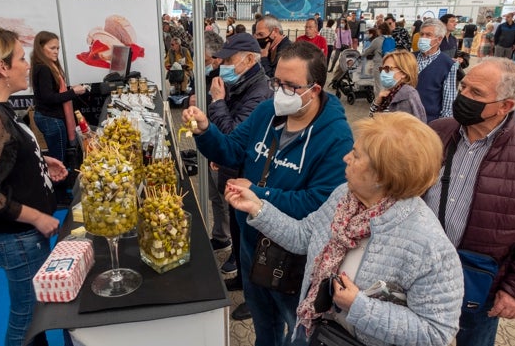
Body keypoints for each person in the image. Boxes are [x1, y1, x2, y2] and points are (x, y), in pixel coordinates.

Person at [225, 112, 463, 346]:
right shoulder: (344, 197)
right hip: (311, 329)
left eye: (356, 156)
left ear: (382, 175)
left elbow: (436, 332)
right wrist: (258, 208)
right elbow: (303, 236)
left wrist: (359, 306)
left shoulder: (429, 245)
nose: (345, 158)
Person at [182, 42, 353, 346]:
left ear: (314, 90)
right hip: (251, 244)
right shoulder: (267, 112)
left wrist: (259, 195)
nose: (280, 92)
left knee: (295, 329)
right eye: (277, 82)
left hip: (292, 260)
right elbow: (232, 150)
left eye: (290, 85)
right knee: (265, 327)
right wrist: (206, 130)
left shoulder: (336, 137)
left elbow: (319, 203)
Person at [424, 57, 515, 346]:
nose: (464, 97)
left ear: (506, 106)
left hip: (480, 284)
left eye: (476, 93)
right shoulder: (437, 132)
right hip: (423, 271)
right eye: (464, 87)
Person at [0, 25, 67, 346]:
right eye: (21, 58)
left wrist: (38, 159)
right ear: (2, 68)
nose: (27, 64)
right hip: (17, 239)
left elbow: (1, 158)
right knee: (28, 319)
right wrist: (36, 217)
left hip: (21, 239)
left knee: (35, 315)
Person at [207, 33, 274, 304]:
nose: (223, 65)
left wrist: (217, 102)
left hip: (247, 174)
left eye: (229, 60)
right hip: (233, 170)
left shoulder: (259, 91)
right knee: (237, 230)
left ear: (249, 59)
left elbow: (234, 135)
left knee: (250, 238)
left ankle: (254, 297)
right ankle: (243, 280)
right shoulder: (242, 82)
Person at [31, 31, 87, 165]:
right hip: (51, 119)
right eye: (52, 48)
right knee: (59, 161)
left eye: (57, 48)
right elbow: (49, 98)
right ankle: (61, 185)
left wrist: (69, 90)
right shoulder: (44, 69)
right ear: (40, 48)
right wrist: (73, 92)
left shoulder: (45, 66)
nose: (56, 52)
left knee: (59, 157)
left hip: (49, 118)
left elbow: (52, 92)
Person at [415, 19, 458, 122]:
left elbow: (449, 101)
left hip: (428, 120)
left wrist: (441, 125)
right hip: (404, 117)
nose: (423, 38)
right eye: (422, 34)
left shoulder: (448, 64)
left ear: (439, 39)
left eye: (428, 35)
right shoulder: (410, 58)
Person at [370, 50, 426, 122]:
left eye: (388, 69)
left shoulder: (408, 95)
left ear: (404, 73)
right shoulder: (389, 93)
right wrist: (377, 103)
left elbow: (417, 127)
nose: (383, 72)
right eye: (382, 69)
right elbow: (372, 121)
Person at [362, 22, 391, 95]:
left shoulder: (377, 40)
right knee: (386, 85)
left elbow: (368, 50)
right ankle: (386, 103)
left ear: (380, 30)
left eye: (378, 29)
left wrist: (361, 55)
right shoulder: (391, 39)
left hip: (379, 64)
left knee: (378, 85)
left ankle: (379, 103)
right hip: (389, 65)